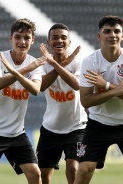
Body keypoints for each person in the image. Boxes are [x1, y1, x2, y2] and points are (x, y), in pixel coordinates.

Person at [73, 15, 123, 184]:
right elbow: (86, 101)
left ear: (122, 36)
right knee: (83, 171)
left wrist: (107, 86)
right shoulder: (90, 61)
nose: (113, 35)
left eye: (117, 31)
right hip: (98, 124)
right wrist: (115, 90)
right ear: (99, 36)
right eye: (107, 31)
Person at [0, 18, 47, 184]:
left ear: (32, 40)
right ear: (10, 38)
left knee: (35, 173)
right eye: (18, 36)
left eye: (27, 37)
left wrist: (16, 71)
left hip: (16, 134)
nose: (22, 41)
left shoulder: (36, 63)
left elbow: (35, 90)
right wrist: (24, 70)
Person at [36, 23, 87, 184]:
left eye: (64, 37)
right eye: (55, 37)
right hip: (51, 128)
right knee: (43, 175)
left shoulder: (78, 63)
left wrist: (55, 63)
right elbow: (41, 86)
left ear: (69, 42)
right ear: (49, 42)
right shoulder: (41, 64)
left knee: (73, 169)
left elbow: (76, 84)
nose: (59, 40)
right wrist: (56, 63)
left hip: (76, 127)